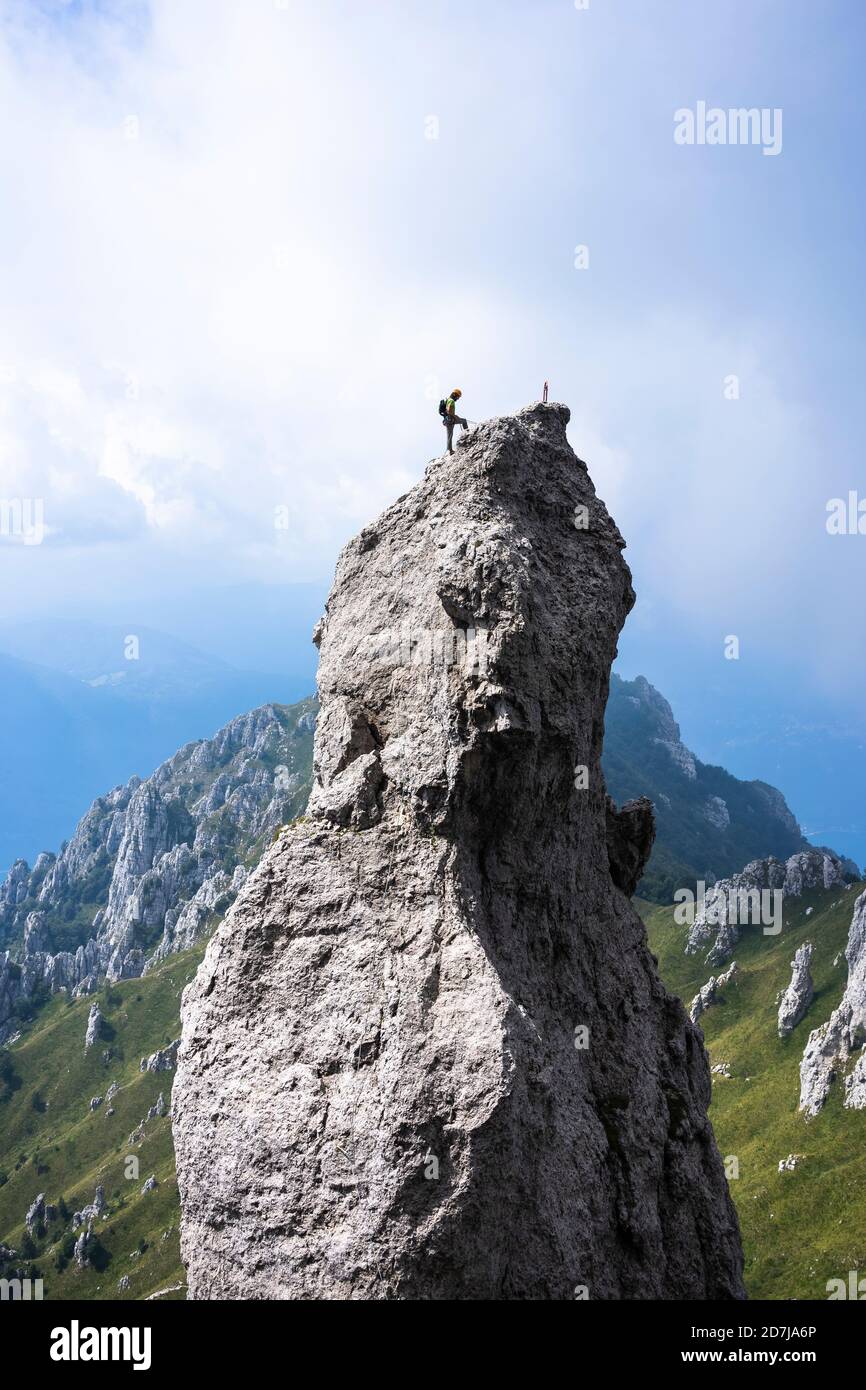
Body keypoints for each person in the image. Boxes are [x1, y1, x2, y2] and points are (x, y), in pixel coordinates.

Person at [443, 389, 467, 454]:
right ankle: (467, 433)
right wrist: (454, 416)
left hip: (447, 420)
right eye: (458, 397)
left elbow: (446, 410)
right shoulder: (451, 401)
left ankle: (449, 450)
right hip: (451, 419)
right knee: (464, 421)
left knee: (449, 435)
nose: (458, 398)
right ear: (454, 395)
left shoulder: (447, 400)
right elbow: (448, 410)